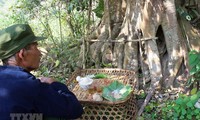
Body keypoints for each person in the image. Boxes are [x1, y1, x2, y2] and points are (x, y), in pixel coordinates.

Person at [0, 24, 83, 120]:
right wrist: (54, 83)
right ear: (22, 54)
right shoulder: (29, 85)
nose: (40, 53)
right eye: (36, 47)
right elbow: (75, 109)